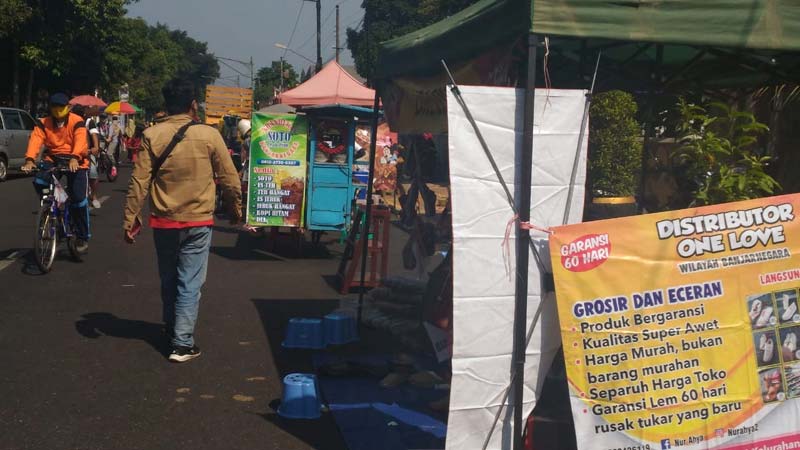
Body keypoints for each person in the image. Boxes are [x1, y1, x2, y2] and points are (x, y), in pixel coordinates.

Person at [123, 78, 242, 363]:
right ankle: (182, 343)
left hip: (164, 220)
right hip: (198, 222)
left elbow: (139, 181)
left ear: (166, 105)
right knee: (190, 282)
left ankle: (170, 327)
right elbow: (230, 179)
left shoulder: (152, 134)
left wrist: (130, 218)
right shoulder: (209, 135)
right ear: (193, 105)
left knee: (169, 278)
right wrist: (235, 210)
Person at [21, 93, 91, 252]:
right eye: (55, 107)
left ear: (68, 107)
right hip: (54, 158)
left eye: (61, 107)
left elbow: (80, 140)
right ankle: (52, 208)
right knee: (40, 180)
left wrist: (75, 157)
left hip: (76, 160)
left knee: (79, 199)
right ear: (50, 108)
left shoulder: (77, 121)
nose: (58, 110)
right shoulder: (43, 122)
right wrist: (30, 160)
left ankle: (82, 236)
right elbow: (35, 139)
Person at [72, 105, 103, 209]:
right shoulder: (70, 122)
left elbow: (94, 135)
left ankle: (93, 196)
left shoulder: (89, 122)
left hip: (87, 152)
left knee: (93, 173)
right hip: (72, 153)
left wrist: (96, 147)